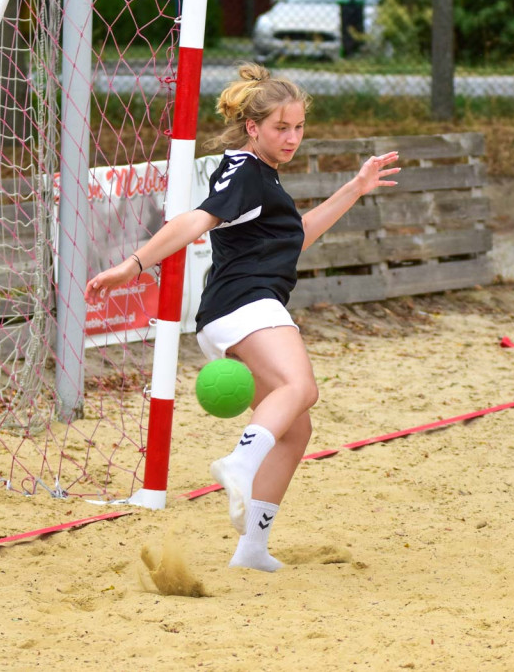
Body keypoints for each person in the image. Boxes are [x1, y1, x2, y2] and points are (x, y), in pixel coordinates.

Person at [85, 63, 400, 572]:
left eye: (298, 127)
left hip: (237, 309)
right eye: (281, 127)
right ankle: (238, 461)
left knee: (296, 430)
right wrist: (134, 263)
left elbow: (295, 236)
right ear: (253, 127)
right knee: (300, 387)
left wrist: (356, 187)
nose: (292, 136)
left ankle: (252, 548)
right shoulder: (246, 170)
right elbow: (196, 218)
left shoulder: (262, 178)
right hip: (245, 303)